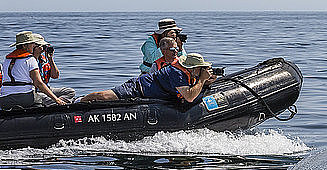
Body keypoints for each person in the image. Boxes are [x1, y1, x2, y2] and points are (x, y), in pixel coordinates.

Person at [82, 53, 217, 103]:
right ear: (192, 68)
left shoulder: (188, 73)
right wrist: (202, 80)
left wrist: (206, 79)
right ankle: (79, 102)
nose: (202, 70)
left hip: (150, 91)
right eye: (201, 68)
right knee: (103, 96)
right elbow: (189, 97)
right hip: (137, 89)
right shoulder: (177, 73)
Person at [0, 31, 67, 109]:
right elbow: (38, 83)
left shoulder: (7, 60)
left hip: (5, 99)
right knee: (39, 100)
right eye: (32, 44)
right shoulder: (30, 59)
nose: (34, 46)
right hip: (25, 98)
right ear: (25, 46)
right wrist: (57, 100)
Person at [31, 33, 76, 105]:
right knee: (48, 98)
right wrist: (55, 99)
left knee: (70, 91)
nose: (43, 48)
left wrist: (50, 59)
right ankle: (56, 103)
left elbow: (55, 76)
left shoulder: (43, 60)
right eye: (41, 46)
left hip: (47, 88)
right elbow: (38, 83)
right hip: (35, 91)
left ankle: (56, 103)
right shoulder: (28, 61)